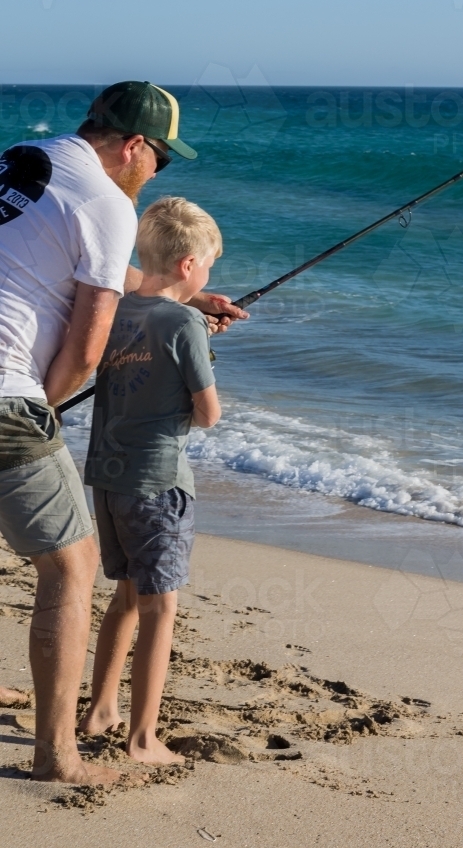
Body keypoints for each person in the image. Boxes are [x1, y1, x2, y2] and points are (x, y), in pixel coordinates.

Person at [0, 82, 246, 784]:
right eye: (160, 161)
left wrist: (185, 296)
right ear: (134, 146)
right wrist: (40, 413)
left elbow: (86, 263)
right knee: (70, 569)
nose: (155, 177)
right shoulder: (109, 201)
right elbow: (86, 347)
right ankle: (58, 756)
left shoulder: (25, 156)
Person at [78, 197, 222, 764]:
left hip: (108, 478)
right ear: (188, 264)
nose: (208, 274)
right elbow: (207, 413)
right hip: (158, 481)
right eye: (207, 264)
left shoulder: (117, 310)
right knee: (161, 608)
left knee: (126, 597)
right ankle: (142, 739)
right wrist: (201, 346)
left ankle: (99, 709)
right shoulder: (184, 321)